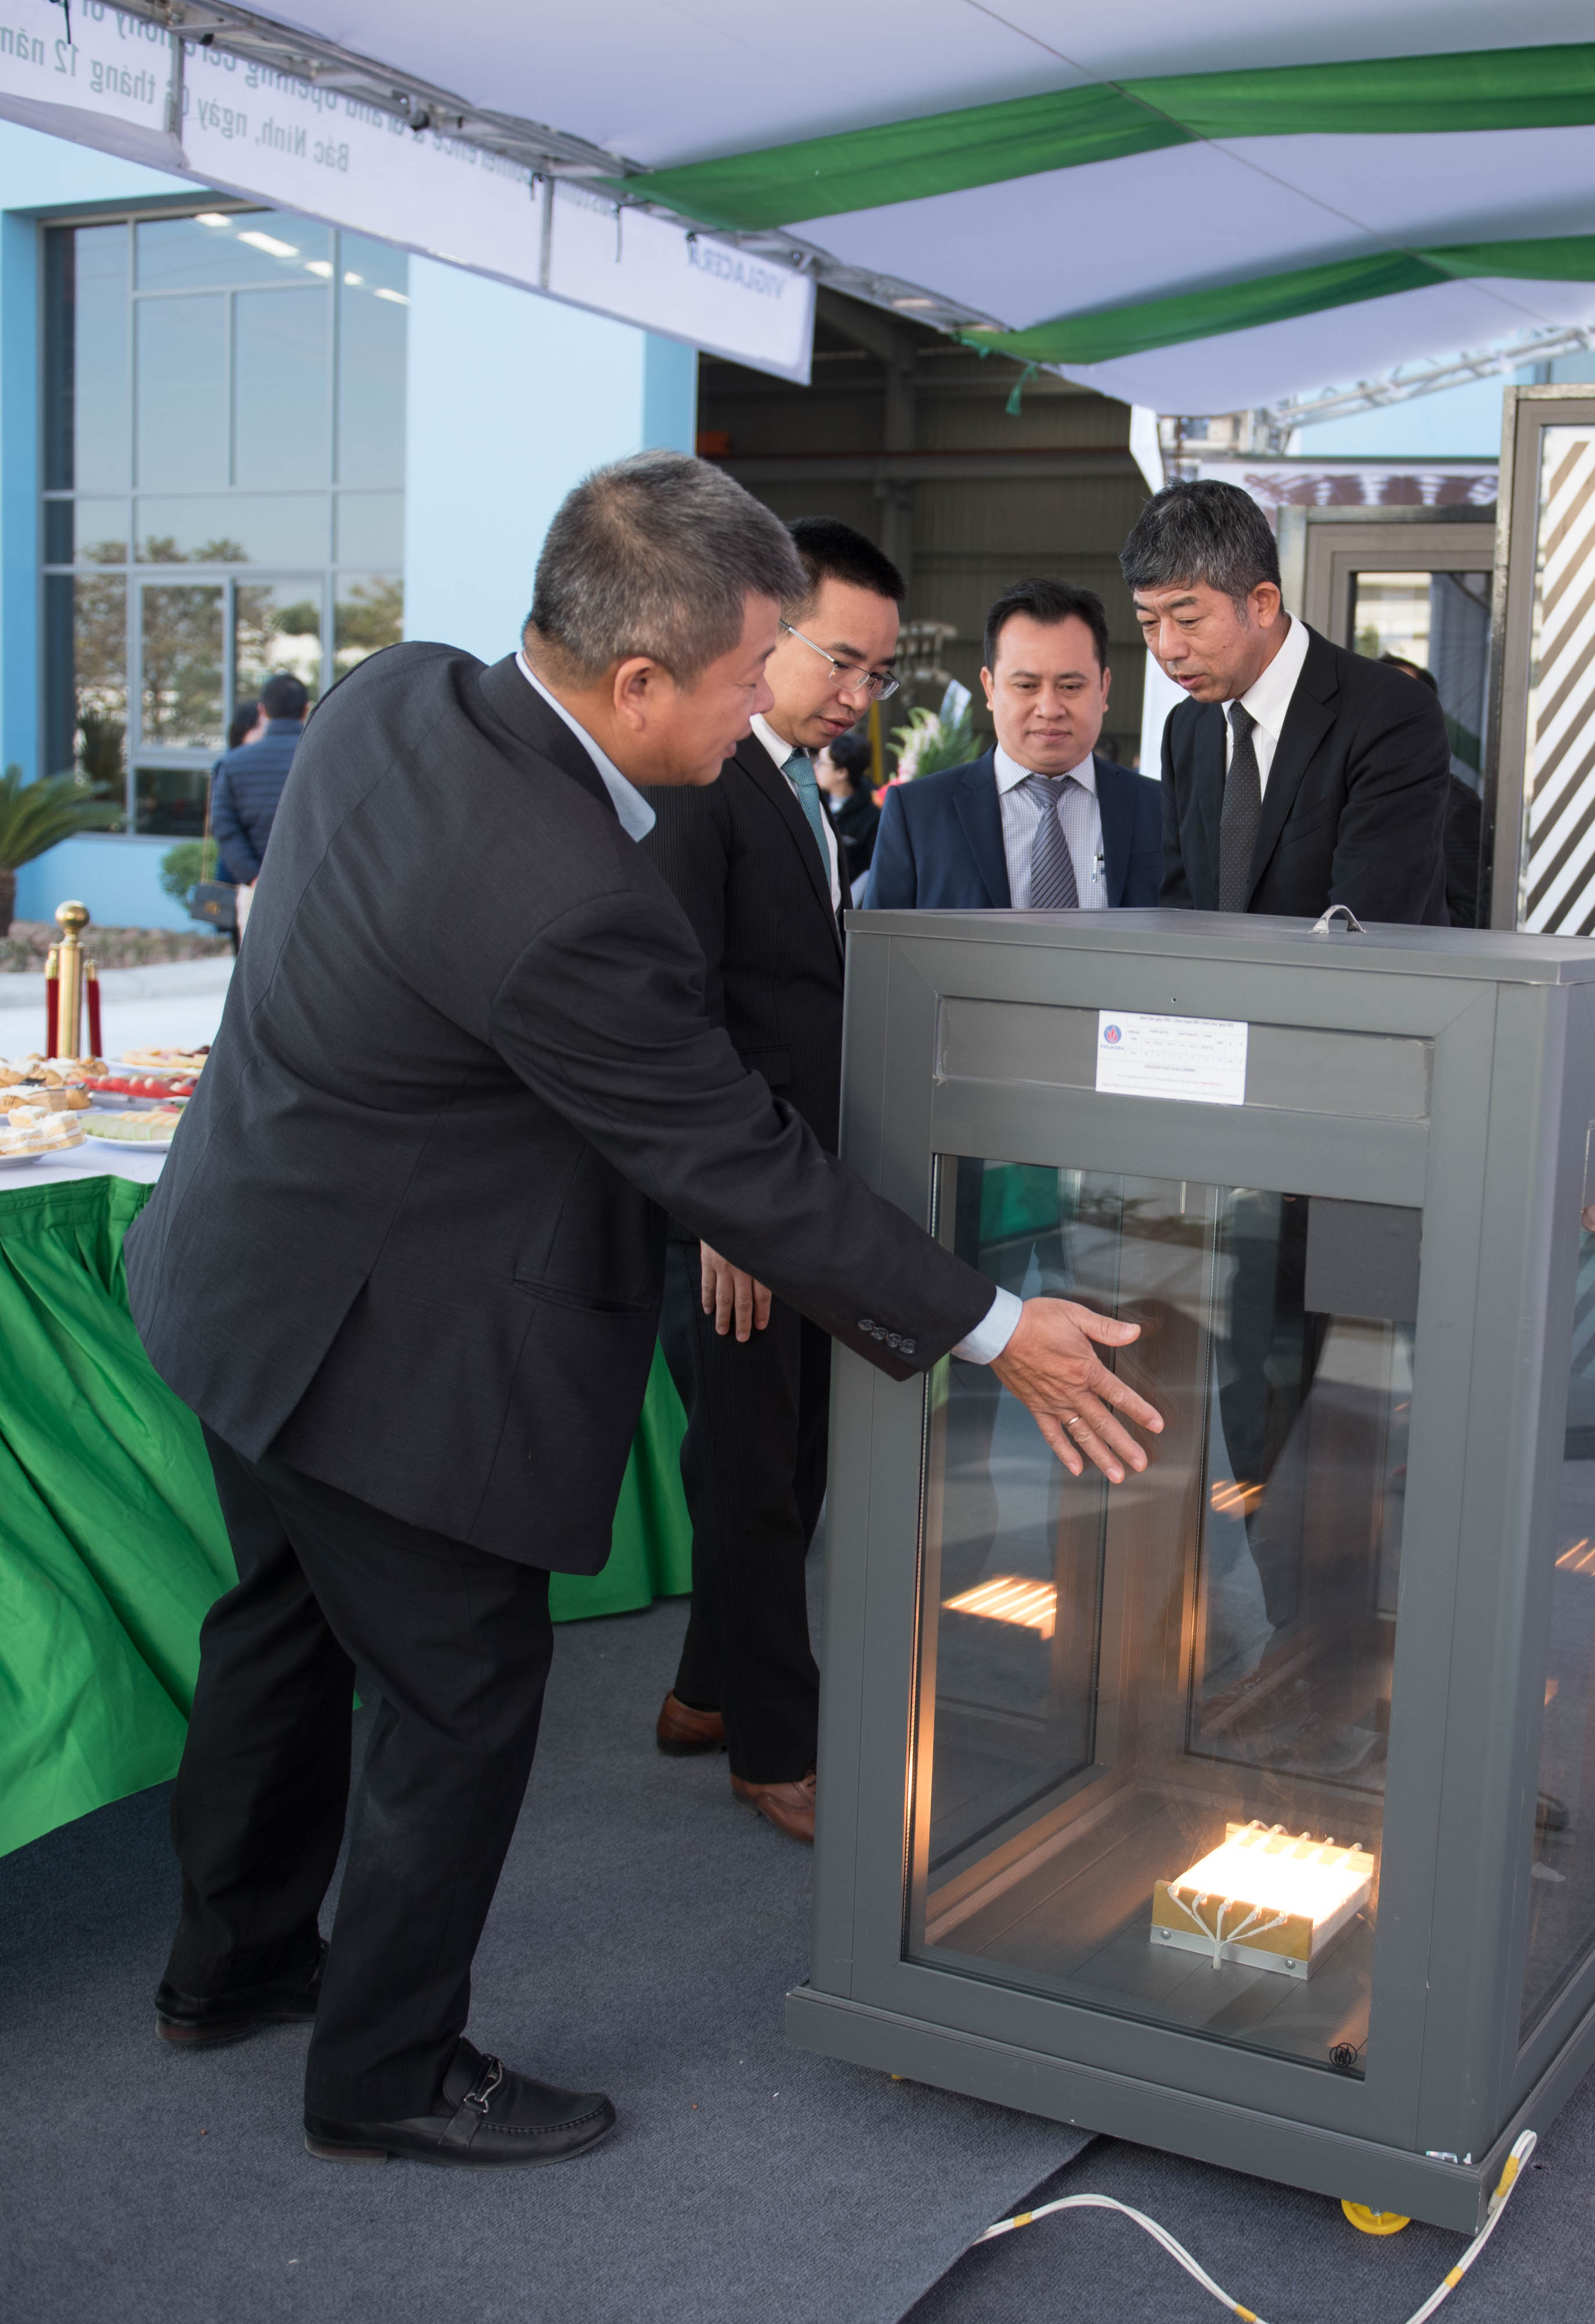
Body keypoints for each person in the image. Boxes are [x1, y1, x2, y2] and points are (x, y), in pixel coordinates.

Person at [123, 450, 1161, 2173]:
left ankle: (227, 1965)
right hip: (382, 1346)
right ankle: (385, 2066)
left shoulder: (395, 693)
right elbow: (738, 1163)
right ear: (632, 681)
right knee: (462, 1695)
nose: (772, 709)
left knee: (280, 1627)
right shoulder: (568, 901)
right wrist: (994, 1325)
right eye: (752, 677)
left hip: (238, 1276)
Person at [626, 515, 909, 1844]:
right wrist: (722, 1211)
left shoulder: (799, 780)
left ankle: (702, 1689)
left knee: (789, 1453)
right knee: (753, 1469)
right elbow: (677, 1015)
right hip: (735, 1204)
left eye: (878, 672)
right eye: (840, 659)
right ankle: (773, 1746)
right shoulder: (703, 777)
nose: (858, 693)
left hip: (796, 1186)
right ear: (766, 627)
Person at [1126, 480, 1448, 924]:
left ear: (1262, 603)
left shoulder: (1389, 713)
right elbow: (1181, 912)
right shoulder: (1186, 726)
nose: (1167, 648)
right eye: (1148, 622)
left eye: (1188, 620)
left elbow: (1368, 926)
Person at [868, 576, 1162, 911]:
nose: (1049, 709)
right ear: (990, 688)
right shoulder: (917, 814)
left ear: (1103, 688)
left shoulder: (1161, 811)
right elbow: (883, 941)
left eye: (1070, 687)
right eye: (1026, 686)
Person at [1378, 651, 1486, 931]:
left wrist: (1388, 929)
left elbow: (1472, 917)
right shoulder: (1346, 794)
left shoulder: (1456, 807)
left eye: (1397, 702)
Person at [211, 672, 308, 931]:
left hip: (257, 889)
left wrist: (252, 876)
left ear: (262, 710)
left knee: (256, 958)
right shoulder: (326, 757)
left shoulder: (233, 763)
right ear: (306, 709)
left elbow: (224, 826)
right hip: (315, 891)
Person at [814, 728, 881, 892]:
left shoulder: (875, 810)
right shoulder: (813, 799)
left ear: (842, 772)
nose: (815, 767)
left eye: (822, 763)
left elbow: (874, 870)